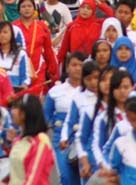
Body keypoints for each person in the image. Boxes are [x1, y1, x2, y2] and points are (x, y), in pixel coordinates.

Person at [45, 52, 84, 185]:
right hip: (61, 140)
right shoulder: (55, 91)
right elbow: (45, 117)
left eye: (81, 65)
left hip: (84, 138)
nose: (77, 68)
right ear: (67, 68)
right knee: (66, 177)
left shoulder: (91, 92)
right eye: (74, 65)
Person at [9, 94, 58, 185]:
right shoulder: (17, 140)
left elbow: (34, 179)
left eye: (15, 108)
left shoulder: (41, 141)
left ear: (24, 113)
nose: (12, 111)